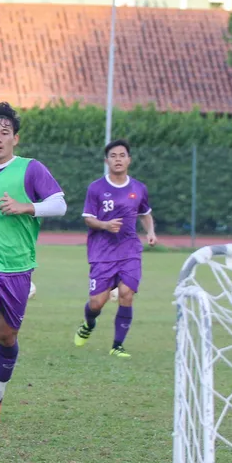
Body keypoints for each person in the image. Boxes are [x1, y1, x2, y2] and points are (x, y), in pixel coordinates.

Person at [0, 102, 66, 425]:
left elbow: (59, 205)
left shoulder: (31, 169)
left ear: (15, 139)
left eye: (4, 133)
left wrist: (25, 207)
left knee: (6, 337)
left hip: (18, 267)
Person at [75, 139, 156, 357]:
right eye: (113, 156)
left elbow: (145, 213)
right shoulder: (96, 188)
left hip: (130, 250)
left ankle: (117, 346)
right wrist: (105, 225)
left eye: (122, 155)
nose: (118, 159)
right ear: (106, 160)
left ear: (129, 160)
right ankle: (88, 324)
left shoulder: (139, 188)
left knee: (126, 293)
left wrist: (150, 232)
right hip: (102, 253)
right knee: (96, 303)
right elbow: (88, 219)